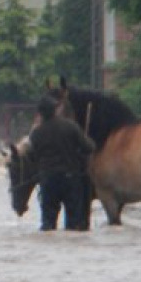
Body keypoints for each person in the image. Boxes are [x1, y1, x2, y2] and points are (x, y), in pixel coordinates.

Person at [26, 95, 96, 231]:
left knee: (48, 223)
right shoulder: (70, 126)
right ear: (55, 110)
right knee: (74, 223)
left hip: (47, 181)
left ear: (40, 113)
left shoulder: (36, 133)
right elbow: (89, 147)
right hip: (70, 179)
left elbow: (32, 157)